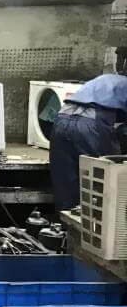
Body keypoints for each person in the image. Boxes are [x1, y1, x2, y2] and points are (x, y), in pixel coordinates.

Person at [49, 72, 127, 209]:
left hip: (61, 118)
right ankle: (98, 218)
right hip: (91, 124)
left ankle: (66, 219)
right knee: (105, 177)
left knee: (65, 180)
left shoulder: (106, 78)